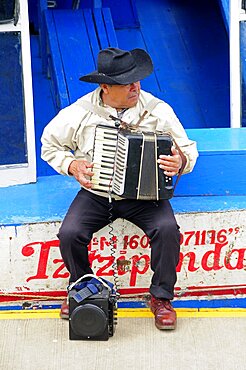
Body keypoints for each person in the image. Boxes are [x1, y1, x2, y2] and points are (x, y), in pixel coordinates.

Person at [41, 47, 198, 330]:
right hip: (98, 193)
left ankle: (161, 297)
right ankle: (81, 289)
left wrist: (180, 161)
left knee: (167, 230)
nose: (135, 87)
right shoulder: (79, 113)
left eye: (137, 80)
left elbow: (187, 149)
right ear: (105, 87)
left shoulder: (157, 111)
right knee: (70, 233)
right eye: (127, 83)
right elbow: (49, 145)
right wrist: (72, 165)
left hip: (145, 197)